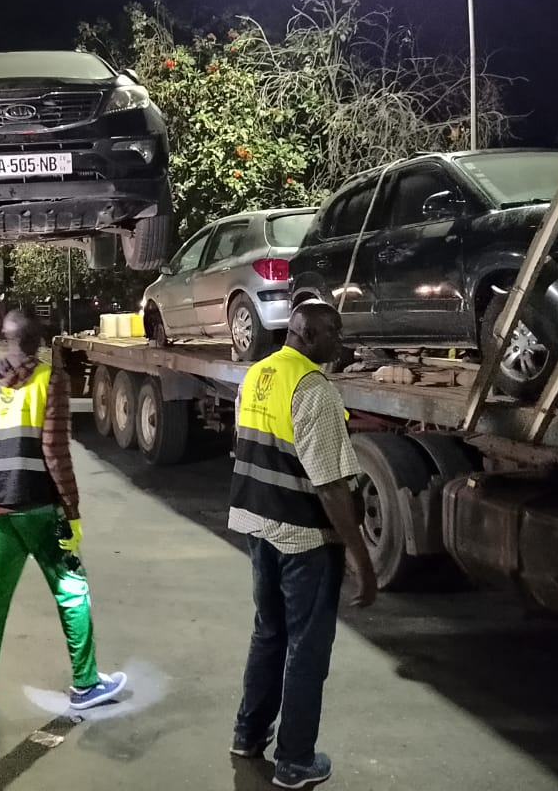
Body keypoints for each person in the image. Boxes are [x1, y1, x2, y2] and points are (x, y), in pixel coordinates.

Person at [228, 301, 377, 790]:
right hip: (302, 536)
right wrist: (361, 558)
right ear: (311, 334)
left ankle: (248, 735)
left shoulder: (258, 374)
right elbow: (331, 485)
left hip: (257, 522)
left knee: (268, 632)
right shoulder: (313, 388)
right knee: (307, 648)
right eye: (335, 332)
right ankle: (295, 761)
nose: (343, 341)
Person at [0, 309, 126, 741]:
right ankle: (87, 684)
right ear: (39, 341)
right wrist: (71, 511)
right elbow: (54, 451)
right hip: (39, 507)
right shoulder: (50, 379)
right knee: (72, 589)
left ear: (5, 338)